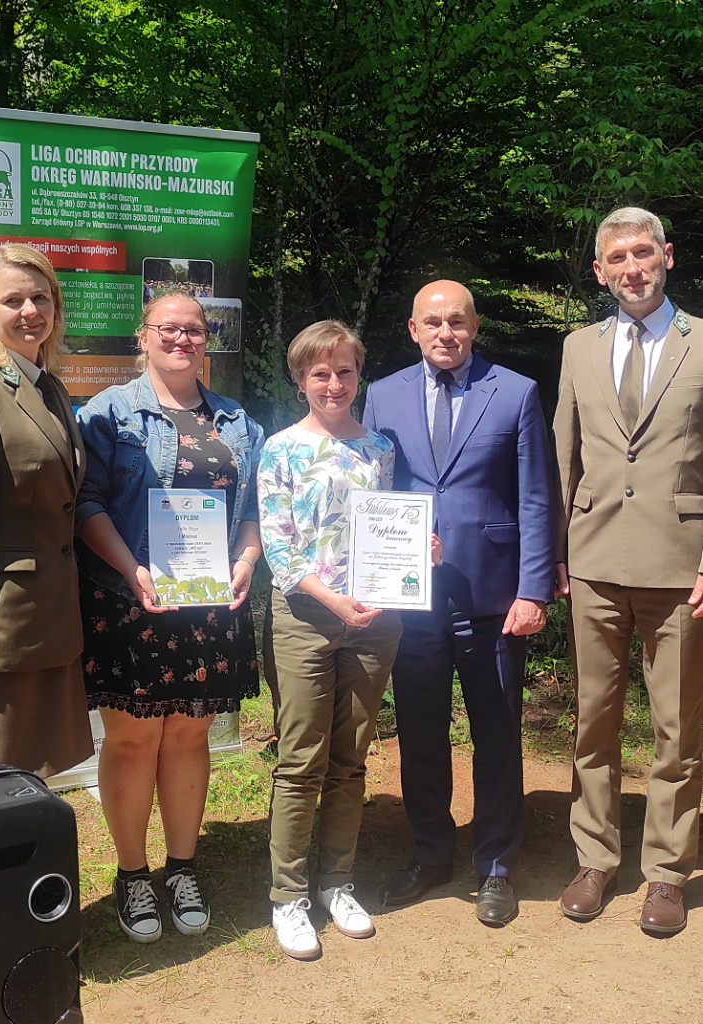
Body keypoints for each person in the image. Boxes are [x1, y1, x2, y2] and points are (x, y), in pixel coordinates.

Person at [363, 281, 555, 925]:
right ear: (413, 330)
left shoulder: (516, 391)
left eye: (457, 322)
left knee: (496, 731)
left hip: (495, 595)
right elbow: (372, 490)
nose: (445, 333)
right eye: (432, 323)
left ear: (474, 326)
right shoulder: (383, 394)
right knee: (419, 730)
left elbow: (535, 497)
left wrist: (533, 588)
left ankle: (496, 863)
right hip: (412, 597)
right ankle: (430, 852)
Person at [75, 289, 263, 943]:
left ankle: (181, 868)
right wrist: (132, 569)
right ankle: (133, 875)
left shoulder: (239, 421)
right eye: (169, 329)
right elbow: (86, 504)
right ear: (143, 336)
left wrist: (246, 560)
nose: (182, 339)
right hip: (130, 602)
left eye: (194, 330)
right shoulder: (108, 413)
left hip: (209, 607)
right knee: (130, 742)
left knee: (188, 739)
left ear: (206, 339)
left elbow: (252, 513)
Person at [553, 207, 703, 937]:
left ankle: (668, 872)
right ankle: (596, 857)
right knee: (593, 721)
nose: (633, 267)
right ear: (600, 269)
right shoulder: (578, 347)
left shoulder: (701, 341)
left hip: (682, 565)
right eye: (619, 257)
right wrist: (555, 550)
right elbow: (565, 451)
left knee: (677, 729)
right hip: (594, 561)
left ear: (667, 256)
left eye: (645, 252)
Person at [258, 320, 403, 960]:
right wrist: (333, 598)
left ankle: (336, 882)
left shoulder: (380, 449)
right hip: (305, 617)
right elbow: (279, 548)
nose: (334, 383)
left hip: (375, 620)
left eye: (344, 371)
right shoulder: (280, 449)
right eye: (321, 372)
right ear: (301, 380)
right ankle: (288, 895)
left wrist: (416, 552)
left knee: (350, 757)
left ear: (357, 375)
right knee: (301, 758)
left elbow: (388, 527)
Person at [0, 243, 92, 776]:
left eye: (40, 297)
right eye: (12, 300)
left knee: (32, 784)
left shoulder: (47, 384)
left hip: (48, 621)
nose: (30, 311)